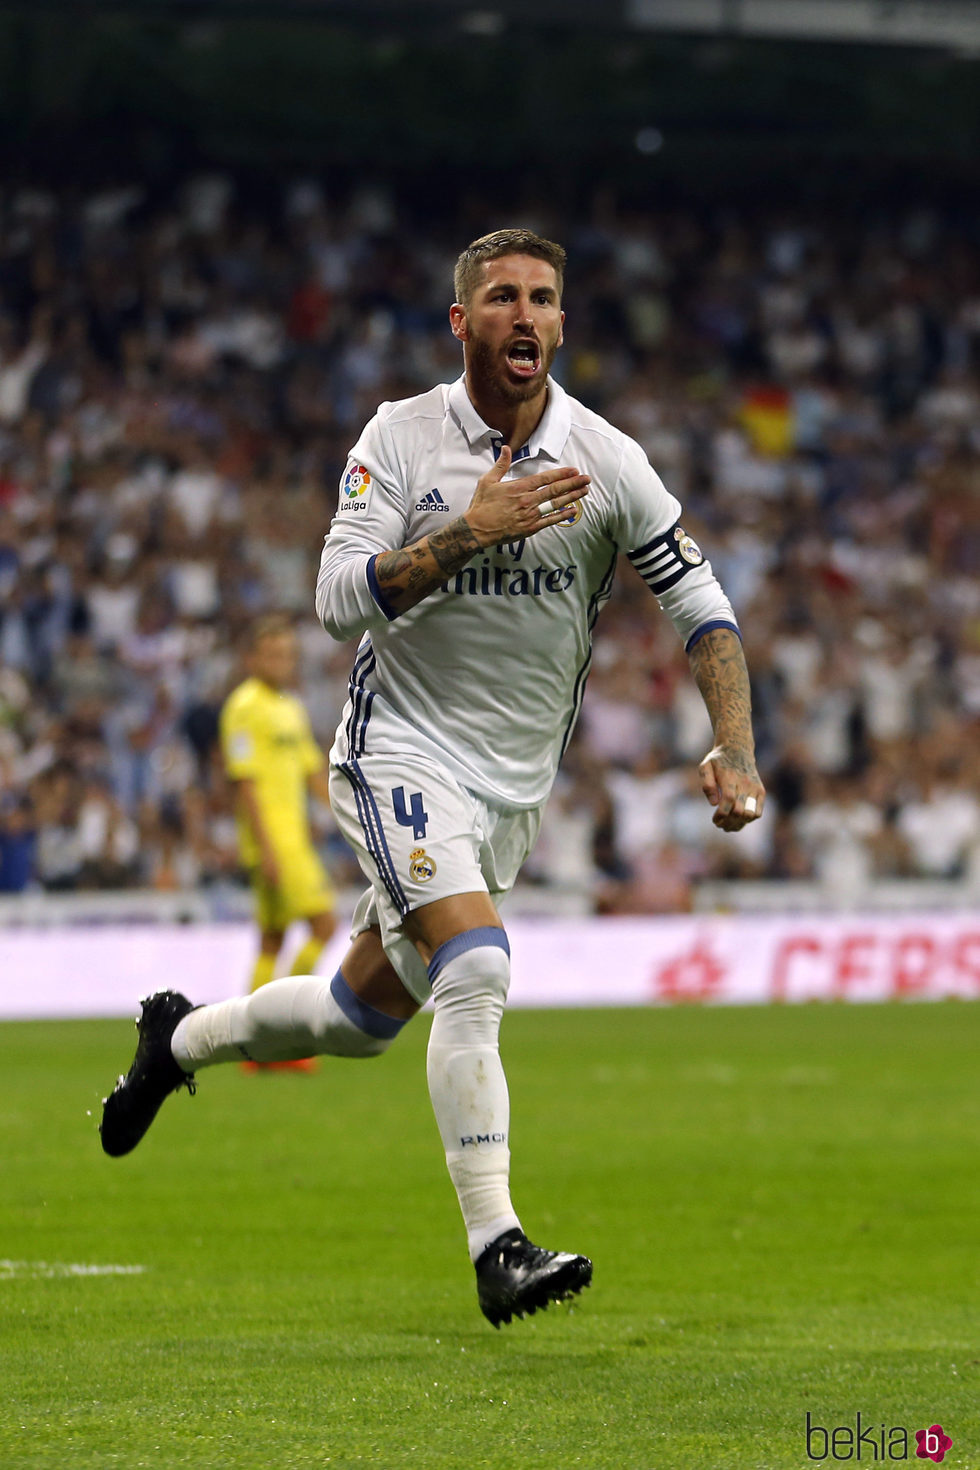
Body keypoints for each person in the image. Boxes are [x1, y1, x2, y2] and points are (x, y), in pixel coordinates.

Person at [101, 228, 765, 1327]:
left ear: (560, 323)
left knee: (354, 1021)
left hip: (508, 794)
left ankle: (175, 1040)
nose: (522, 314)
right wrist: (466, 534)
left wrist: (734, 743)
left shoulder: (606, 459)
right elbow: (333, 600)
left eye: (542, 298)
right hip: (396, 749)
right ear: (461, 322)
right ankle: (497, 1246)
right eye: (499, 297)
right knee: (478, 965)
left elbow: (702, 608)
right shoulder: (400, 440)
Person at [219, 614, 336, 1070]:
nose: (281, 661)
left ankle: (255, 1047)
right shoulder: (243, 706)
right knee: (325, 926)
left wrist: (351, 820)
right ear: (251, 658)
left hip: (294, 838)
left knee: (271, 939)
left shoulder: (290, 707)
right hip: (275, 842)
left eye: (287, 654)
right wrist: (265, 849)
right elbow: (243, 783)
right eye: (271, 653)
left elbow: (312, 775)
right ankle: (282, 1033)